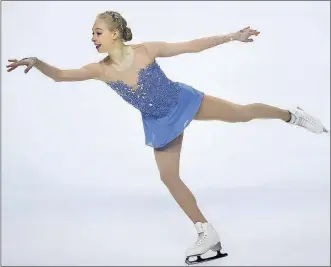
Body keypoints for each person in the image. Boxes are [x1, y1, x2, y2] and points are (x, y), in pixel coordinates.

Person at [6, 10, 328, 265]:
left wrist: (233, 36)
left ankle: (291, 114)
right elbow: (62, 75)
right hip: (159, 123)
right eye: (92, 33)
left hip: (182, 101)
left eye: (97, 31)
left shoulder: (146, 50)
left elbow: (191, 45)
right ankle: (207, 232)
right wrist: (38, 63)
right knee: (168, 177)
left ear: (115, 33)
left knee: (242, 112)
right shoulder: (100, 70)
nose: (93, 38)